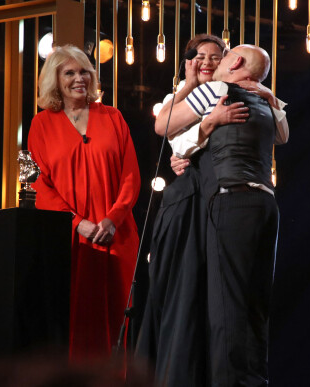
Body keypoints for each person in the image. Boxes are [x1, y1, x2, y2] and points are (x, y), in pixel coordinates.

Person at [136, 34, 286, 386]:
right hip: (193, 204)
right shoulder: (202, 93)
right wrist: (202, 114)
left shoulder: (234, 91)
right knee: (199, 298)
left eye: (216, 56)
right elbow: (167, 131)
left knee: (227, 302)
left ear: (230, 62)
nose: (207, 62)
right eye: (199, 56)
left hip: (222, 201)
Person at [28, 44, 141, 362]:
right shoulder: (41, 124)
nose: (79, 78)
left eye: (84, 72)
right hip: (70, 240)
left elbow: (131, 177)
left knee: (119, 323)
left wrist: (112, 219)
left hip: (116, 236)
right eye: (70, 72)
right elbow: (42, 186)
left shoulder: (113, 117)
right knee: (76, 324)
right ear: (54, 79)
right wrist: (79, 224)